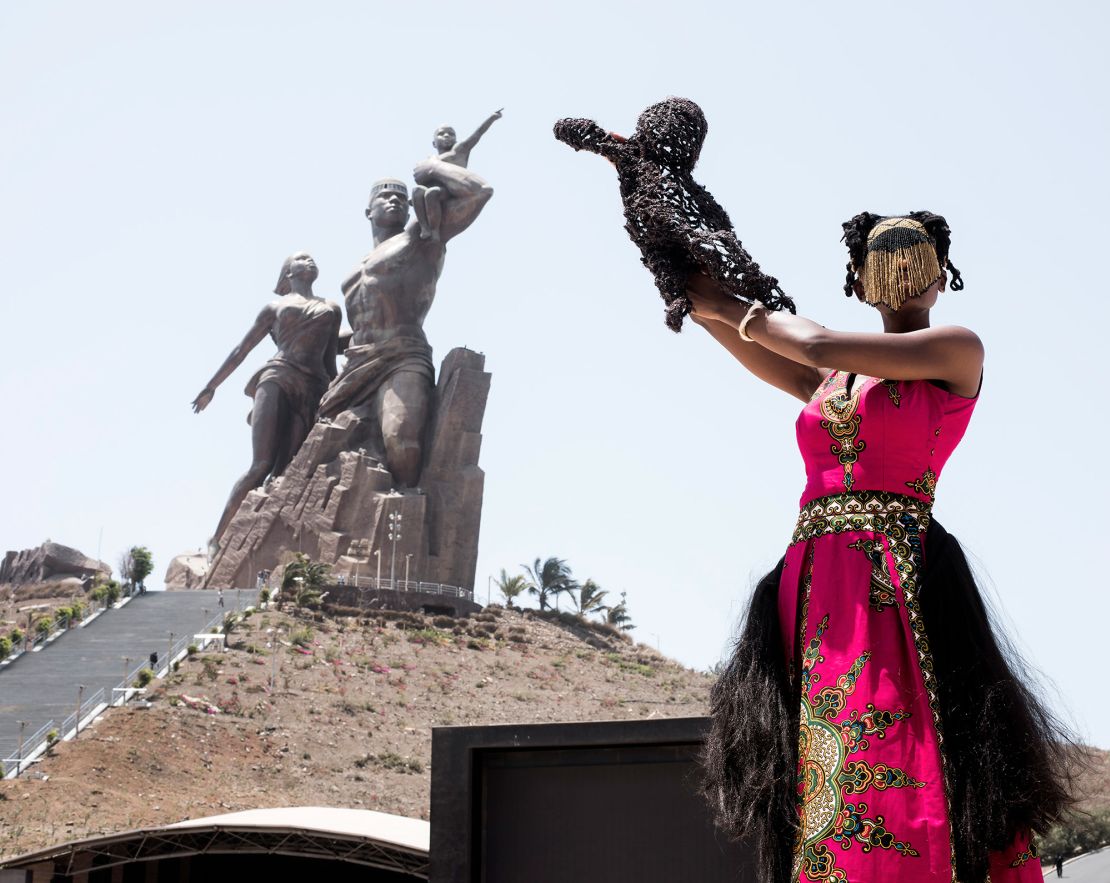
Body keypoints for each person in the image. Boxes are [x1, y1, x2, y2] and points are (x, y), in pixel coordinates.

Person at [691, 213, 1073, 883]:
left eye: (915, 258)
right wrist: (693, 294)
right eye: (883, 259)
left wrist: (729, 303)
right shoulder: (837, 383)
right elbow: (762, 346)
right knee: (817, 736)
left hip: (889, 568)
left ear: (940, 276)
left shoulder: (955, 350)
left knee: (890, 722)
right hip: (812, 575)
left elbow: (813, 341)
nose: (900, 272)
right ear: (862, 280)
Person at [317, 163, 493, 488]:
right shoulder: (358, 266)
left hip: (403, 357)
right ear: (368, 211)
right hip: (356, 364)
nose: (394, 201)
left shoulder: (422, 238)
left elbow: (479, 192)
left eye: (401, 198)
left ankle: (406, 513)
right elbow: (363, 322)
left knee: (400, 438)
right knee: (316, 445)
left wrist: (433, 166)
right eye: (385, 197)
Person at [193, 252, 342, 551]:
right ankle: (218, 537)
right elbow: (241, 349)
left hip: (312, 388)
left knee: (287, 470)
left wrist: (337, 398)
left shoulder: (332, 308)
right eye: (302, 258)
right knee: (260, 465)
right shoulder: (275, 307)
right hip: (278, 377)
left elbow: (329, 361)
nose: (310, 261)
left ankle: (267, 543)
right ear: (288, 273)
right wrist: (211, 387)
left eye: (312, 258)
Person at [412, 109, 501, 241]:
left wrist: (491, 119)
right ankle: (425, 227)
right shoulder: (430, 159)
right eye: (441, 134)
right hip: (431, 186)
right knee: (417, 191)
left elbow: (477, 135)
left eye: (451, 134)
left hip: (449, 189)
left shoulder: (459, 150)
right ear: (434, 143)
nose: (447, 136)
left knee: (433, 193)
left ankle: (434, 230)